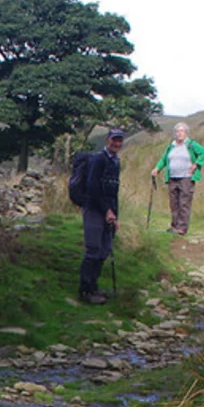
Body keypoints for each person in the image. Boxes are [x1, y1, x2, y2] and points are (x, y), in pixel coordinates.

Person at [74, 127, 124, 304]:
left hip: (107, 212)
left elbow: (113, 191)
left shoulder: (115, 162)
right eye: (114, 140)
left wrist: (115, 216)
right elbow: (93, 188)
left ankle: (93, 287)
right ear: (107, 139)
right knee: (93, 249)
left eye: (120, 140)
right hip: (94, 209)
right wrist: (107, 210)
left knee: (104, 250)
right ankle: (85, 291)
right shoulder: (98, 160)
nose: (117, 143)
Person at [151, 122, 204, 235]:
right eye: (177, 131)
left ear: (186, 133)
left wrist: (196, 164)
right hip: (172, 177)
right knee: (174, 203)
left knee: (184, 203)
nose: (179, 133)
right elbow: (164, 159)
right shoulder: (171, 146)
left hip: (186, 178)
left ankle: (182, 228)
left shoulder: (191, 144)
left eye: (182, 131)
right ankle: (174, 226)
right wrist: (157, 169)